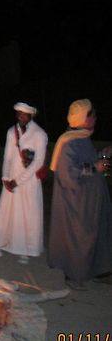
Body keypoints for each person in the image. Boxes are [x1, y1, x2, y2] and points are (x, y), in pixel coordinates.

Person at [48, 99, 112, 290]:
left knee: (96, 234)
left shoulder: (82, 138)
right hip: (76, 201)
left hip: (90, 198)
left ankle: (95, 272)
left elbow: (87, 162)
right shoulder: (68, 142)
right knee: (78, 237)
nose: (94, 119)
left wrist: (101, 155)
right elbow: (68, 174)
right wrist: (95, 167)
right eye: (91, 115)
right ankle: (73, 276)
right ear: (82, 118)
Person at [0, 103, 48, 263]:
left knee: (28, 214)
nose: (20, 117)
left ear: (31, 116)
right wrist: (6, 178)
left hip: (29, 180)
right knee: (5, 212)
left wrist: (18, 181)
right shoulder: (11, 132)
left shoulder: (40, 134)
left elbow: (38, 162)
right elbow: (7, 157)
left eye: (24, 114)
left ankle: (27, 249)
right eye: (18, 114)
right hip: (11, 178)